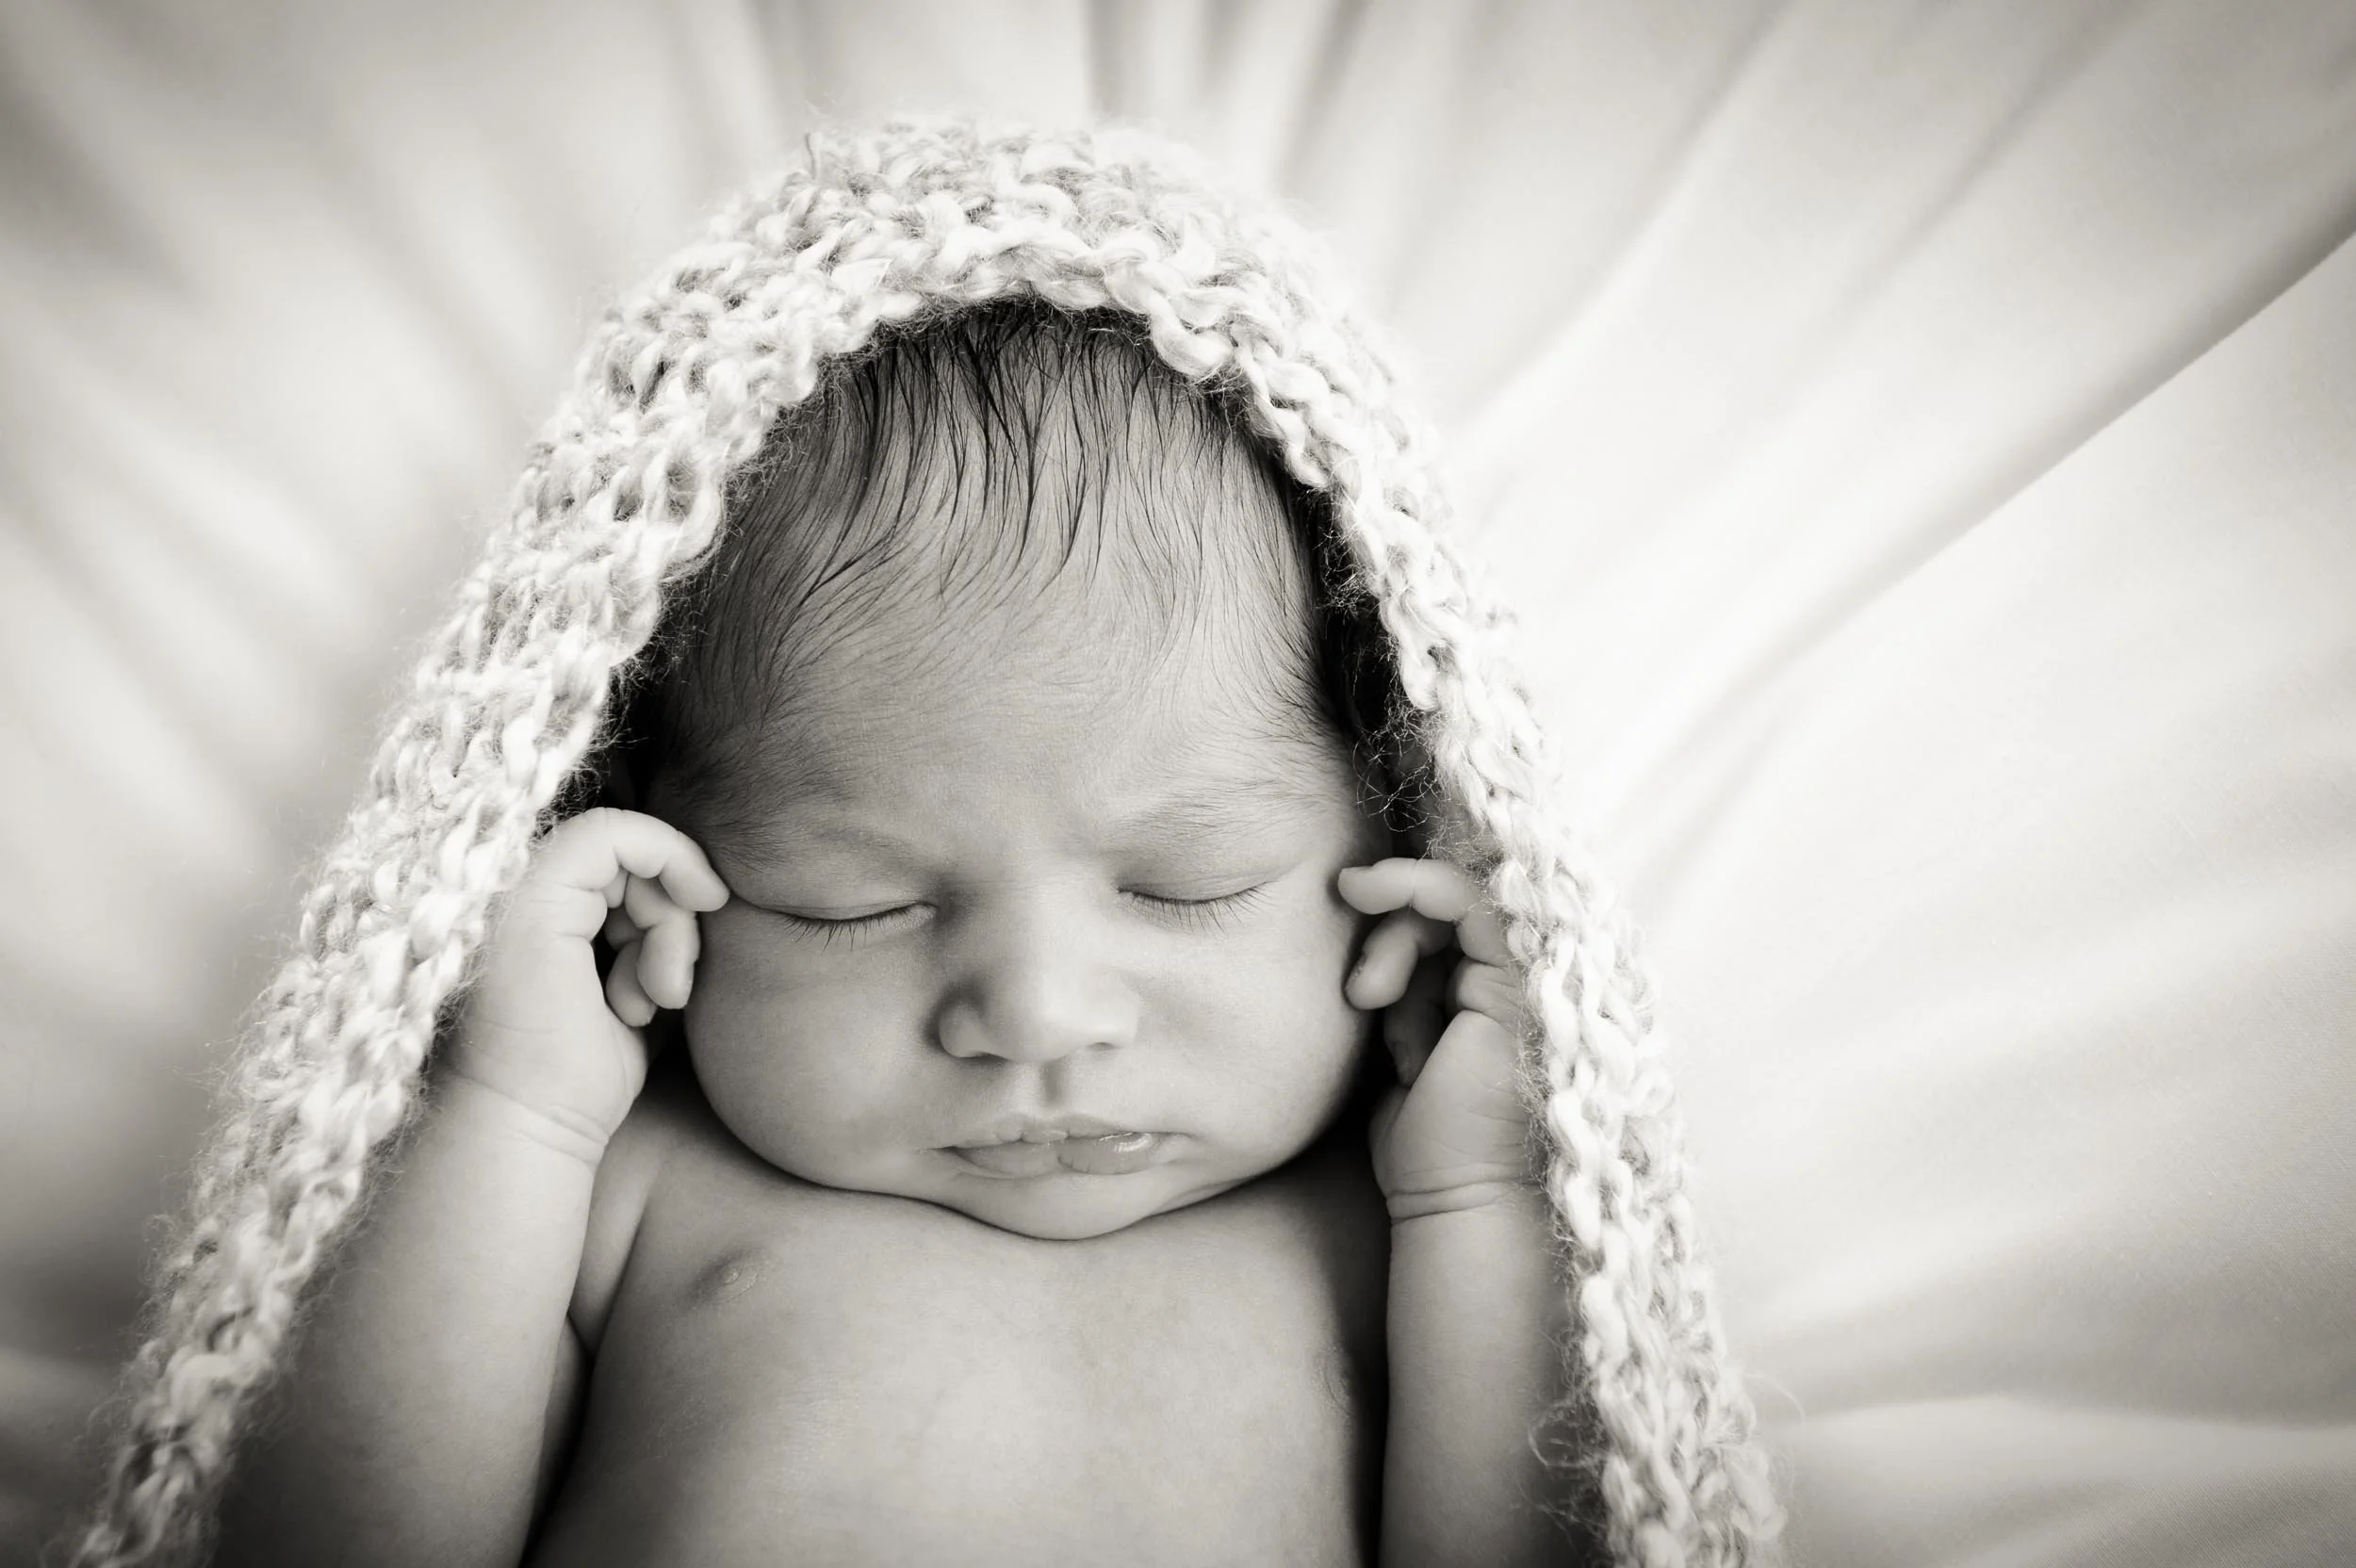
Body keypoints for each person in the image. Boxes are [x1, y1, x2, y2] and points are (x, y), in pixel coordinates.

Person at [73, 122, 1778, 1568]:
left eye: (1188, 885)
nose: (1033, 1011)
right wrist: (506, 1101)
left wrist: (1495, 1173)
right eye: (851, 903)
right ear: (664, 875)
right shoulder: (634, 1181)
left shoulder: (1391, 1222)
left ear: (1397, 826)